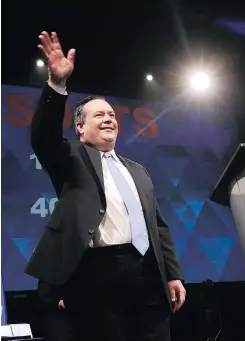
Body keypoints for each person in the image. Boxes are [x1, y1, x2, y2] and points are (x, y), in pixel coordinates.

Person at [25, 31, 186, 341]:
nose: (109, 118)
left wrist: (173, 274)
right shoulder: (71, 156)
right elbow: (43, 137)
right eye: (99, 115)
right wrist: (57, 85)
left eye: (112, 114)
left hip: (149, 273)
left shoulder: (137, 170)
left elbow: (159, 227)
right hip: (98, 274)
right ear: (81, 128)